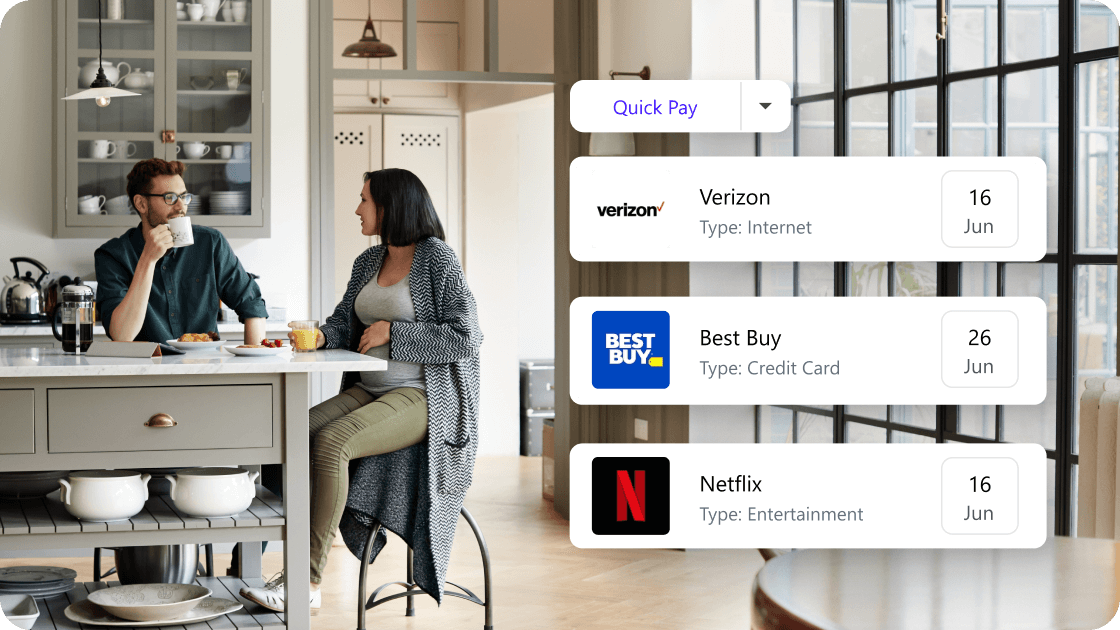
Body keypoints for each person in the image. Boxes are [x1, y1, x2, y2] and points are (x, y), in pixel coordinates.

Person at [239, 168, 482, 614]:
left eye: (364, 200)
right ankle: (279, 557)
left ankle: (307, 582)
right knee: (285, 435)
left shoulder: (437, 258)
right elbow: (344, 322)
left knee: (332, 442)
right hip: (369, 389)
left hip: (423, 397)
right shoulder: (369, 261)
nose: (357, 209)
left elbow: (466, 337)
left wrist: (396, 331)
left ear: (390, 207)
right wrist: (321, 336)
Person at [94, 158, 268, 344]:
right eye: (170, 198)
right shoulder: (112, 256)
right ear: (141, 204)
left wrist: (254, 354)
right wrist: (148, 259)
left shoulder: (210, 243)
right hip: (148, 362)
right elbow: (121, 335)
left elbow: (252, 305)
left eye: (184, 197)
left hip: (205, 360)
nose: (181, 207)